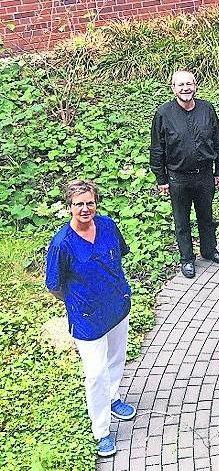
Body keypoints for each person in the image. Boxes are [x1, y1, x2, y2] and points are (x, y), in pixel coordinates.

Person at [45, 181, 136, 457]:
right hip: (87, 319)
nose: (85, 209)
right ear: (69, 207)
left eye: (90, 202)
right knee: (96, 373)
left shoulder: (108, 225)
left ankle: (114, 397)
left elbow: (118, 255)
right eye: (78, 204)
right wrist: (77, 302)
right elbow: (54, 285)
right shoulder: (62, 243)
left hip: (116, 306)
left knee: (116, 358)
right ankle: (102, 430)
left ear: (96, 203)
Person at [150, 70, 219, 279]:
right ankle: (187, 259)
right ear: (173, 88)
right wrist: (161, 178)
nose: (186, 88)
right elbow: (157, 148)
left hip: (204, 175)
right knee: (182, 221)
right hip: (178, 177)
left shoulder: (207, 109)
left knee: (206, 216)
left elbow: (218, 141)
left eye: (189, 84)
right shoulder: (163, 113)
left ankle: (209, 250)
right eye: (181, 85)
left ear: (195, 86)